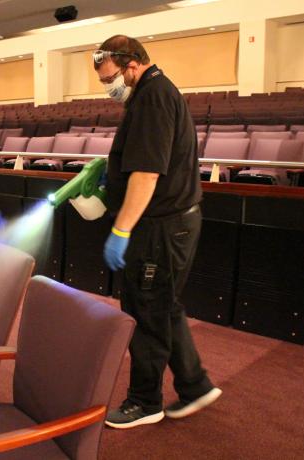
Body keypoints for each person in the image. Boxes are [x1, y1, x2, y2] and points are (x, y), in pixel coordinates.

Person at [95, 35, 222, 429]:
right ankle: (194, 384)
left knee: (146, 310)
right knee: (163, 305)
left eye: (110, 77)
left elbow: (147, 174)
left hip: (161, 229)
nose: (109, 87)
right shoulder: (153, 92)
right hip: (170, 225)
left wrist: (121, 228)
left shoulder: (152, 97)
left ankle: (144, 401)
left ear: (131, 64)